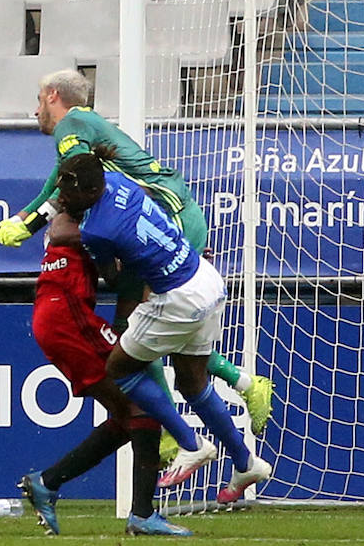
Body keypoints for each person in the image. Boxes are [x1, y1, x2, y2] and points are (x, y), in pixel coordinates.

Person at [0, 69, 275, 461]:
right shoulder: (87, 130)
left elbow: (70, 184)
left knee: (131, 338)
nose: (35, 112)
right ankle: (242, 389)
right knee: (156, 343)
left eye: (37, 101)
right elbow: (62, 183)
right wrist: (16, 224)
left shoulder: (73, 124)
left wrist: (22, 227)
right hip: (175, 214)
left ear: (51, 95)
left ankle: (174, 437)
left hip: (166, 218)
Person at [51, 150, 272, 505]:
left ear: (90, 192)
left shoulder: (97, 230)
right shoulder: (121, 181)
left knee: (120, 368)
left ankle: (190, 443)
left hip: (178, 296)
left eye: (68, 192)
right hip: (206, 277)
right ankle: (246, 463)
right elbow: (150, 200)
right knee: (192, 382)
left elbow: (109, 272)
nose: (62, 197)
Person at [18, 212, 193, 536]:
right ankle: (141, 515)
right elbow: (61, 230)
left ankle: (48, 482)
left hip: (60, 316)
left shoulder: (91, 213)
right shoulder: (78, 211)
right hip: (68, 319)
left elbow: (110, 273)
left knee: (129, 415)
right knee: (142, 407)